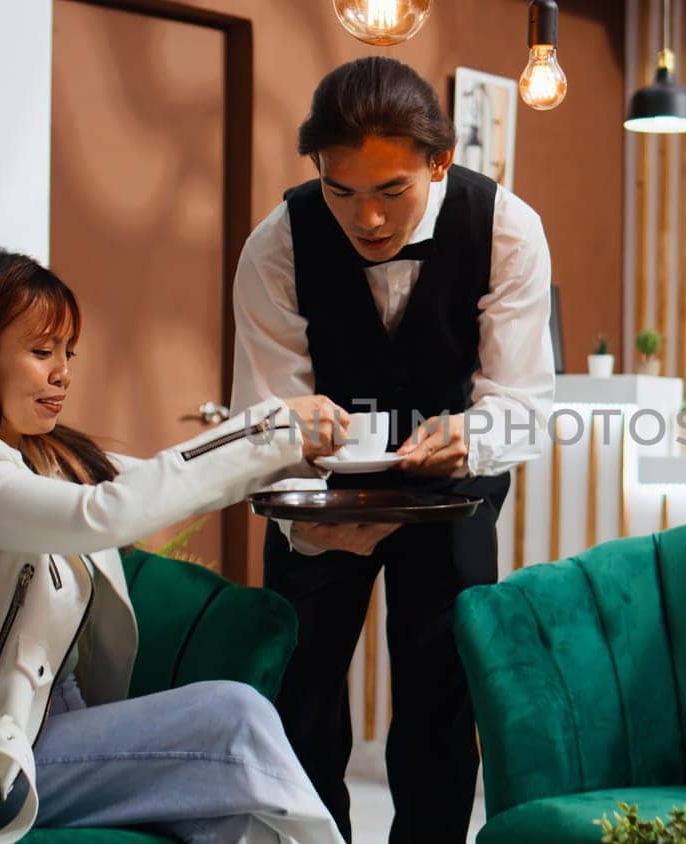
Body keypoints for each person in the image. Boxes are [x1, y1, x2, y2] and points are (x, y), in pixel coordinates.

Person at [0, 248, 347, 844]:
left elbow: (166, 482)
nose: (63, 373)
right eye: (41, 353)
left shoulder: (43, 453)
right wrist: (269, 428)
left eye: (67, 353)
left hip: (63, 729)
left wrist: (314, 478)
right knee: (232, 716)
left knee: (237, 822)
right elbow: (106, 514)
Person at [230, 57, 555, 842]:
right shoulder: (276, 245)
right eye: (343, 193)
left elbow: (524, 404)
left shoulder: (506, 228)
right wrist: (303, 443)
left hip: (451, 493)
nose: (367, 220)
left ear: (437, 162)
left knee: (442, 707)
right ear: (318, 171)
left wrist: (471, 435)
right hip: (319, 502)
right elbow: (271, 408)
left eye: (391, 192)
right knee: (300, 701)